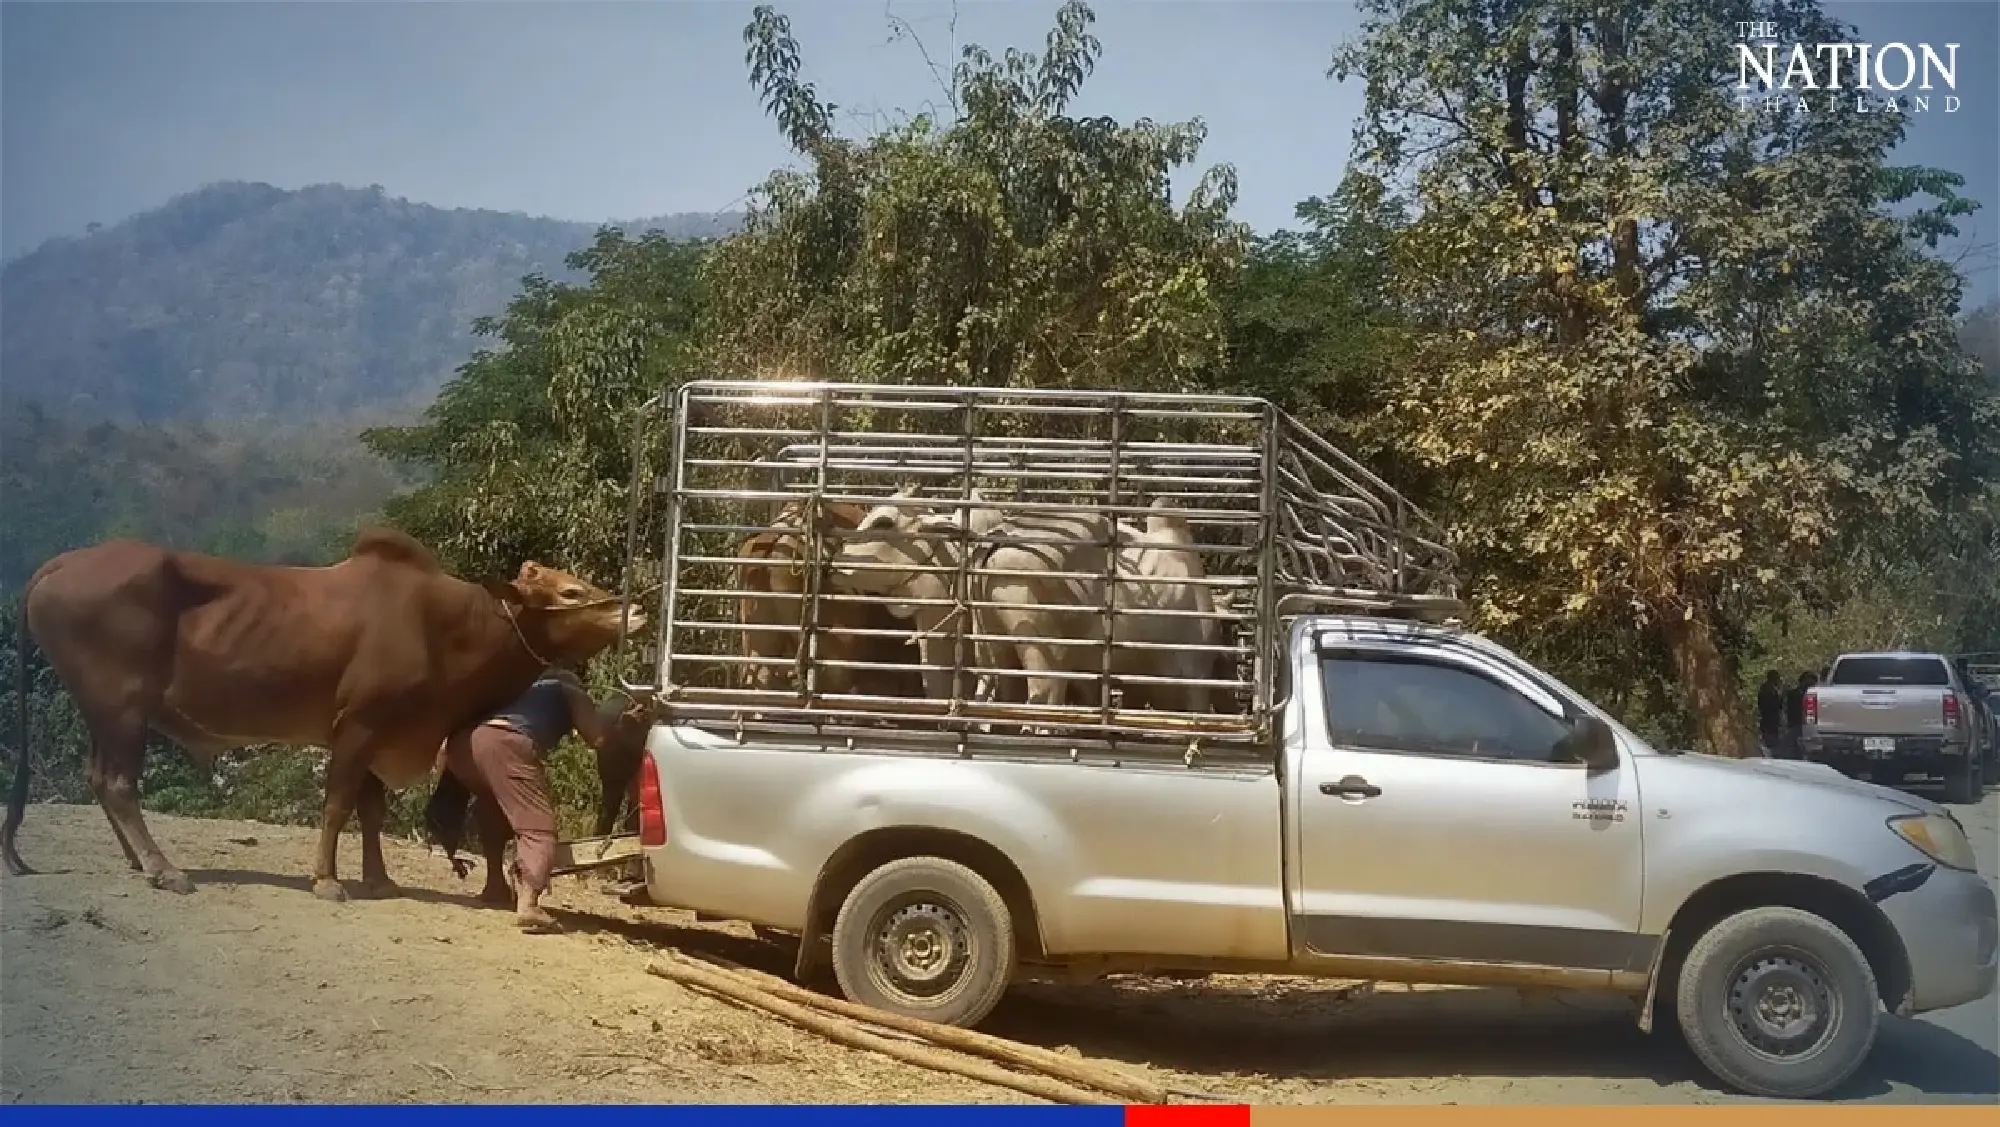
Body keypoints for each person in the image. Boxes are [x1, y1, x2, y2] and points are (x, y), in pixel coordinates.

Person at [441, 665, 614, 933]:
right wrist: (621, 722)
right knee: (537, 828)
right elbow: (598, 739)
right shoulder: (568, 690)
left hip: (461, 746)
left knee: (492, 808)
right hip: (505, 742)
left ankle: (495, 885)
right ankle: (529, 905)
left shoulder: (522, 691)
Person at [1782, 670, 1818, 760]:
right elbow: (1786, 710)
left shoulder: (1814, 695)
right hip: (1795, 725)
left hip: (1810, 728)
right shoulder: (1793, 694)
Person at [1755, 670, 1784, 757]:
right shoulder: (1767, 689)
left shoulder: (1769, 689)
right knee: (1770, 743)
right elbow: (1771, 704)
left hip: (1771, 720)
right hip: (1769, 720)